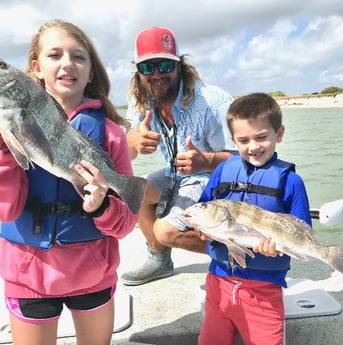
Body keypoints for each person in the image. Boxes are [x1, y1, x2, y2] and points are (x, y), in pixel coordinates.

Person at [0, 19, 138, 345]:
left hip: (93, 275)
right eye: (54, 55)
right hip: (28, 275)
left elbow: (125, 223)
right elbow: (6, 210)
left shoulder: (110, 133)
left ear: (91, 71)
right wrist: (5, 152)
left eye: (78, 56)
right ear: (36, 67)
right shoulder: (8, 128)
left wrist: (103, 205)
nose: (67, 63)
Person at [121, 26, 237, 286]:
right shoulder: (138, 100)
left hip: (215, 178)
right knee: (132, 190)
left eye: (165, 65)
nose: (157, 74)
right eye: (148, 68)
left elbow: (246, 162)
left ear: (180, 66)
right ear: (138, 72)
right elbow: (123, 155)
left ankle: (237, 256)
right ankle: (159, 260)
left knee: (166, 230)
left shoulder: (213, 103)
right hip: (175, 174)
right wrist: (132, 140)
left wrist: (205, 161)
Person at [195, 93, 312, 345]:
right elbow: (204, 206)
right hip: (218, 281)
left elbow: (303, 231)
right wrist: (201, 228)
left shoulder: (291, 181)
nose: (253, 146)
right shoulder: (223, 170)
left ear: (278, 134)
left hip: (264, 291)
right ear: (233, 141)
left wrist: (276, 250)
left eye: (261, 137)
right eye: (243, 140)